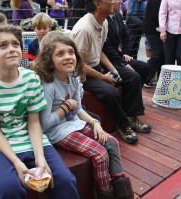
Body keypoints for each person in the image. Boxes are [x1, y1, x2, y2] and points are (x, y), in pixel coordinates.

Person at [0, 25, 79, 198]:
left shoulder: (31, 79)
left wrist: (40, 157)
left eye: (15, 44)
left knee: (64, 181)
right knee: (9, 189)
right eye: (3, 46)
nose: (12, 49)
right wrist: (16, 162)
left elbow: (34, 122)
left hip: (30, 135)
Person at [35, 31, 134, 199]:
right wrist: (66, 107)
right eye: (60, 53)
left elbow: (79, 110)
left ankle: (122, 190)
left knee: (111, 142)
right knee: (100, 154)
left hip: (73, 124)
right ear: (48, 60)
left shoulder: (73, 78)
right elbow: (45, 124)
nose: (68, 57)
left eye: (71, 52)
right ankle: (105, 193)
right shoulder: (48, 85)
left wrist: (95, 122)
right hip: (56, 132)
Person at [71, 0, 151, 144]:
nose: (117, 1)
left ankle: (131, 117)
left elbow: (100, 50)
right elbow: (79, 65)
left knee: (132, 76)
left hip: (97, 66)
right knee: (110, 91)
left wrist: (114, 70)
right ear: (98, 4)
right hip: (83, 74)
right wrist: (103, 77)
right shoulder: (84, 28)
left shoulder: (104, 22)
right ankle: (124, 126)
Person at [103, 0, 151, 87]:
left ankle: (134, 93)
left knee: (145, 67)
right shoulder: (103, 19)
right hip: (108, 60)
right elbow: (107, 48)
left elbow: (125, 37)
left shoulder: (118, 15)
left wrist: (126, 53)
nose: (121, 1)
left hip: (118, 56)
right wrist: (124, 64)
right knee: (133, 75)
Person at [157, 0, 181, 66]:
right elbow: (162, 13)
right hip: (169, 29)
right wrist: (162, 30)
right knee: (169, 58)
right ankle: (169, 76)